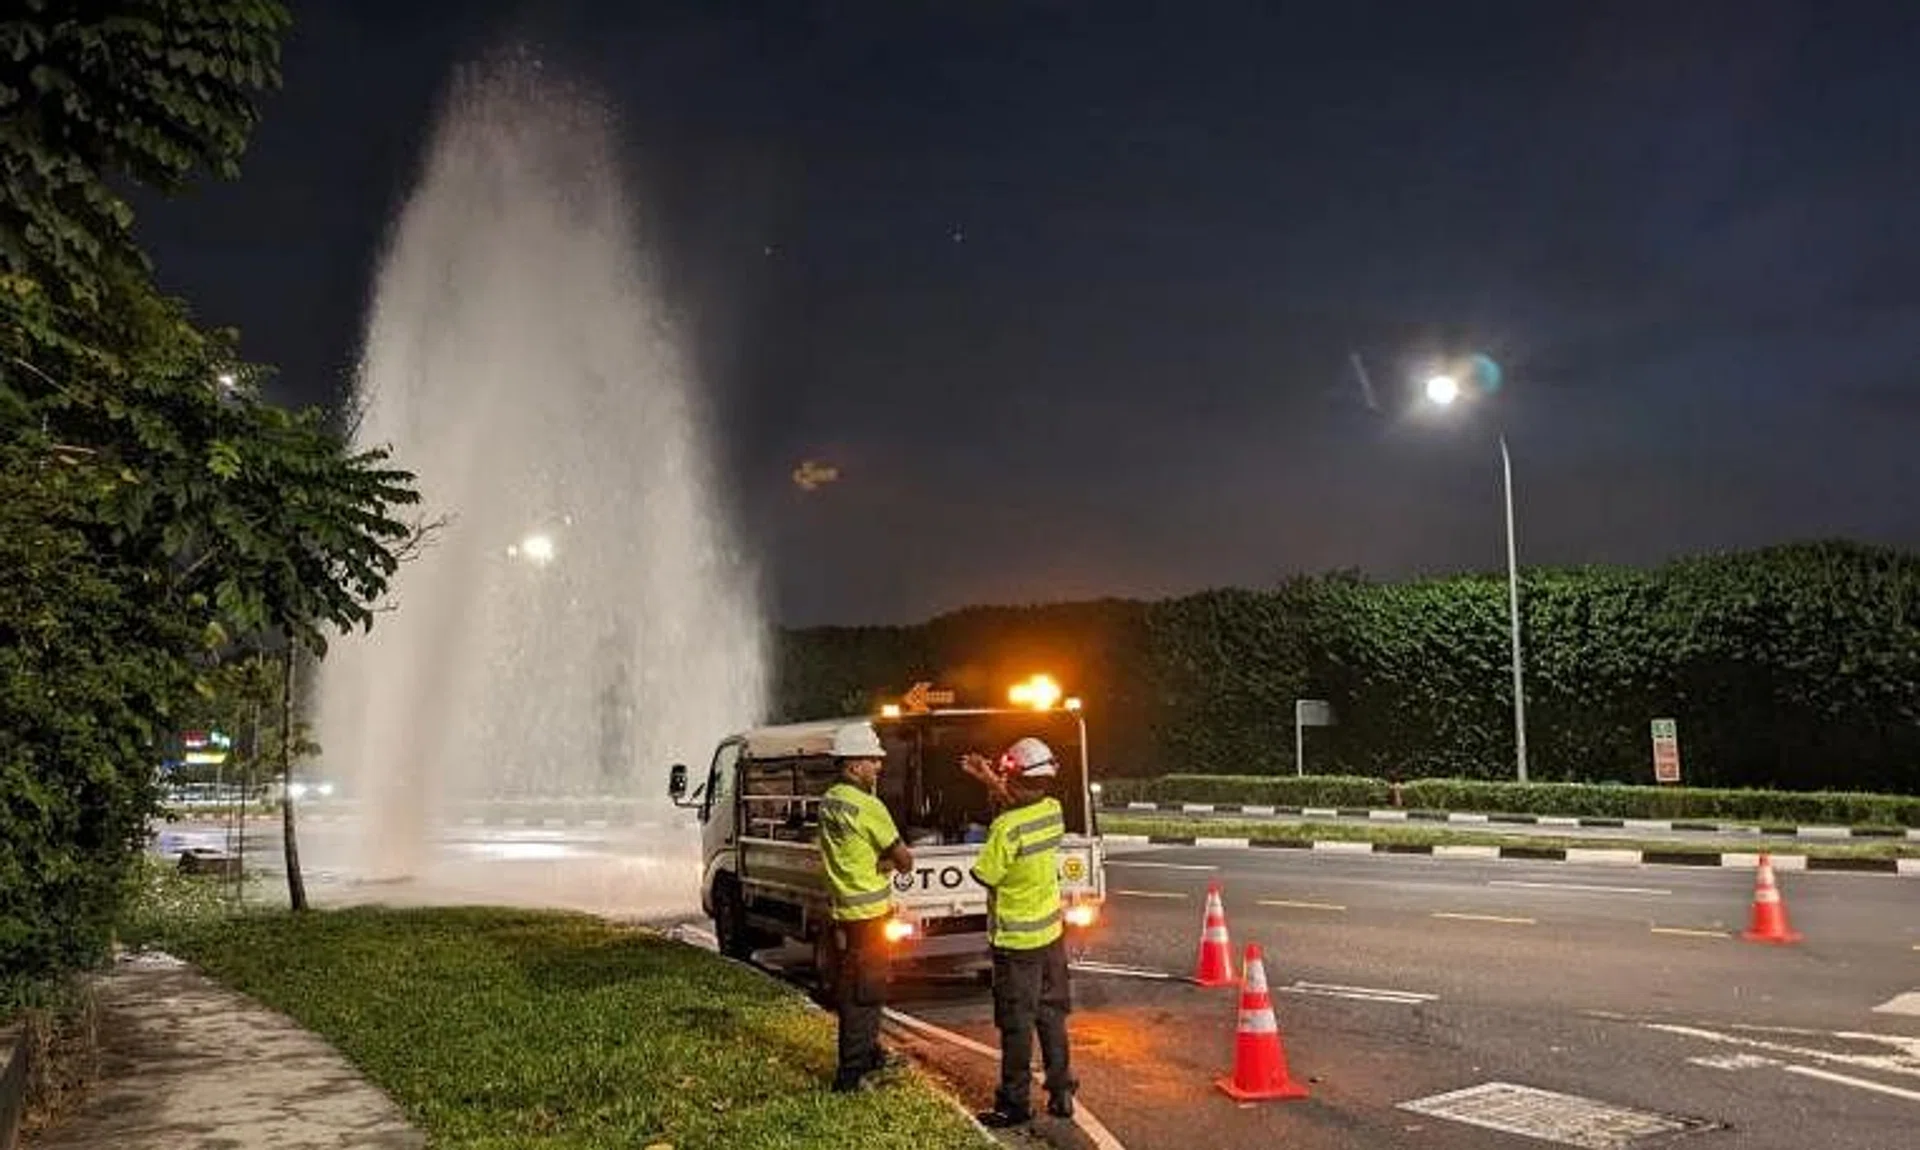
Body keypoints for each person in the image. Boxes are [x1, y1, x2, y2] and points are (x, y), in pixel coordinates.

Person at [963, 737, 1077, 1126]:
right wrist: (992, 780)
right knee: (1052, 1017)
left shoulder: (1005, 829)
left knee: (1016, 1025)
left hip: (1015, 944)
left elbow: (985, 874)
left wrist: (995, 786)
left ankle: (1014, 1104)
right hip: (1050, 936)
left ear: (1014, 778)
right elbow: (1020, 801)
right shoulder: (1052, 810)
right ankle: (1061, 1092)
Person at [817, 721, 914, 1092]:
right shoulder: (868, 806)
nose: (879, 766)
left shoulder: (830, 801)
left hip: (844, 911)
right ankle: (850, 1075)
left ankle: (870, 1053)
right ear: (853, 764)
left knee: (853, 986)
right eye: (873, 760)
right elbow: (904, 860)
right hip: (869, 915)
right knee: (865, 992)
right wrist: (887, 864)